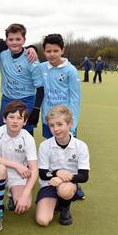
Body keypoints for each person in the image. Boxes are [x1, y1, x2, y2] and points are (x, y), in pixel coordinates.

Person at [40, 34, 85, 200]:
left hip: (65, 122)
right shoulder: (43, 68)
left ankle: (75, 186)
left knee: (70, 155)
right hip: (48, 119)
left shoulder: (70, 70)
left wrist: (72, 124)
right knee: (52, 151)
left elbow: (75, 98)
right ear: (44, 51)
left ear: (62, 50)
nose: (52, 54)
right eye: (48, 51)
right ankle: (52, 183)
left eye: (55, 51)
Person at [35, 106, 90, 226]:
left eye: (60, 124)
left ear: (70, 123)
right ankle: (57, 203)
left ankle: (65, 208)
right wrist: (56, 173)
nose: (56, 129)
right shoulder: (45, 146)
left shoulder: (81, 146)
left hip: (68, 184)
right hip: (49, 184)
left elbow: (84, 176)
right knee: (42, 221)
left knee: (64, 190)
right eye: (52, 125)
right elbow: (43, 174)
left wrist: (61, 178)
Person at [0, 100, 38, 231]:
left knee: (25, 205)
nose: (15, 121)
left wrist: (25, 195)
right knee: (0, 169)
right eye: (11, 117)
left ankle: (12, 197)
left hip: (17, 176)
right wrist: (16, 165)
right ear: (4, 119)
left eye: (19, 118)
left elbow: (34, 170)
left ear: (25, 122)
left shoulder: (28, 138)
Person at [0, 23, 43, 135]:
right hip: (7, 99)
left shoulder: (31, 59)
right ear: (6, 41)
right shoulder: (2, 55)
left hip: (26, 100)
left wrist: (36, 109)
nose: (14, 42)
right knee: (4, 133)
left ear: (24, 40)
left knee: (25, 134)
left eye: (18, 39)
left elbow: (40, 88)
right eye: (11, 39)